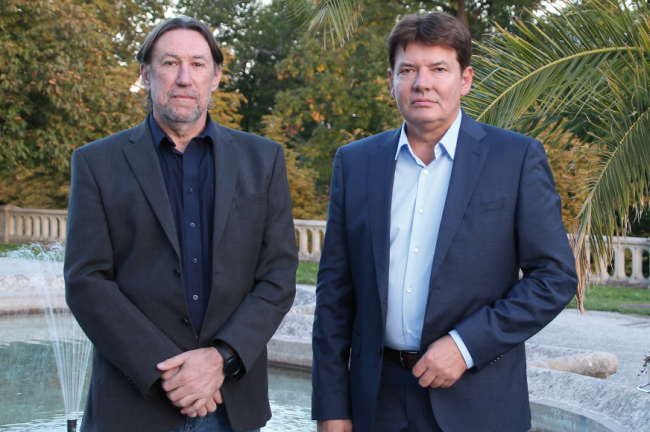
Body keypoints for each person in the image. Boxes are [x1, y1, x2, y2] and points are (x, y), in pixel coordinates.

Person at [312, 12, 577, 432]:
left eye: (438, 69)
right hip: (376, 403)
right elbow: (334, 295)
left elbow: (554, 277)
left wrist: (466, 346)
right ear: (391, 80)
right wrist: (331, 407)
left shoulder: (516, 158)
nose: (422, 83)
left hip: (477, 400)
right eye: (408, 70)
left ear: (465, 79)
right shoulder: (355, 162)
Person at [64, 17, 298, 432]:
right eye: (170, 63)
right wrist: (170, 373)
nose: (184, 78)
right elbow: (86, 281)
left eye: (198, 64)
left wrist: (220, 358)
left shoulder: (263, 160)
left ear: (216, 76)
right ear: (146, 74)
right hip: (133, 404)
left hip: (230, 404)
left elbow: (278, 275)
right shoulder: (96, 163)